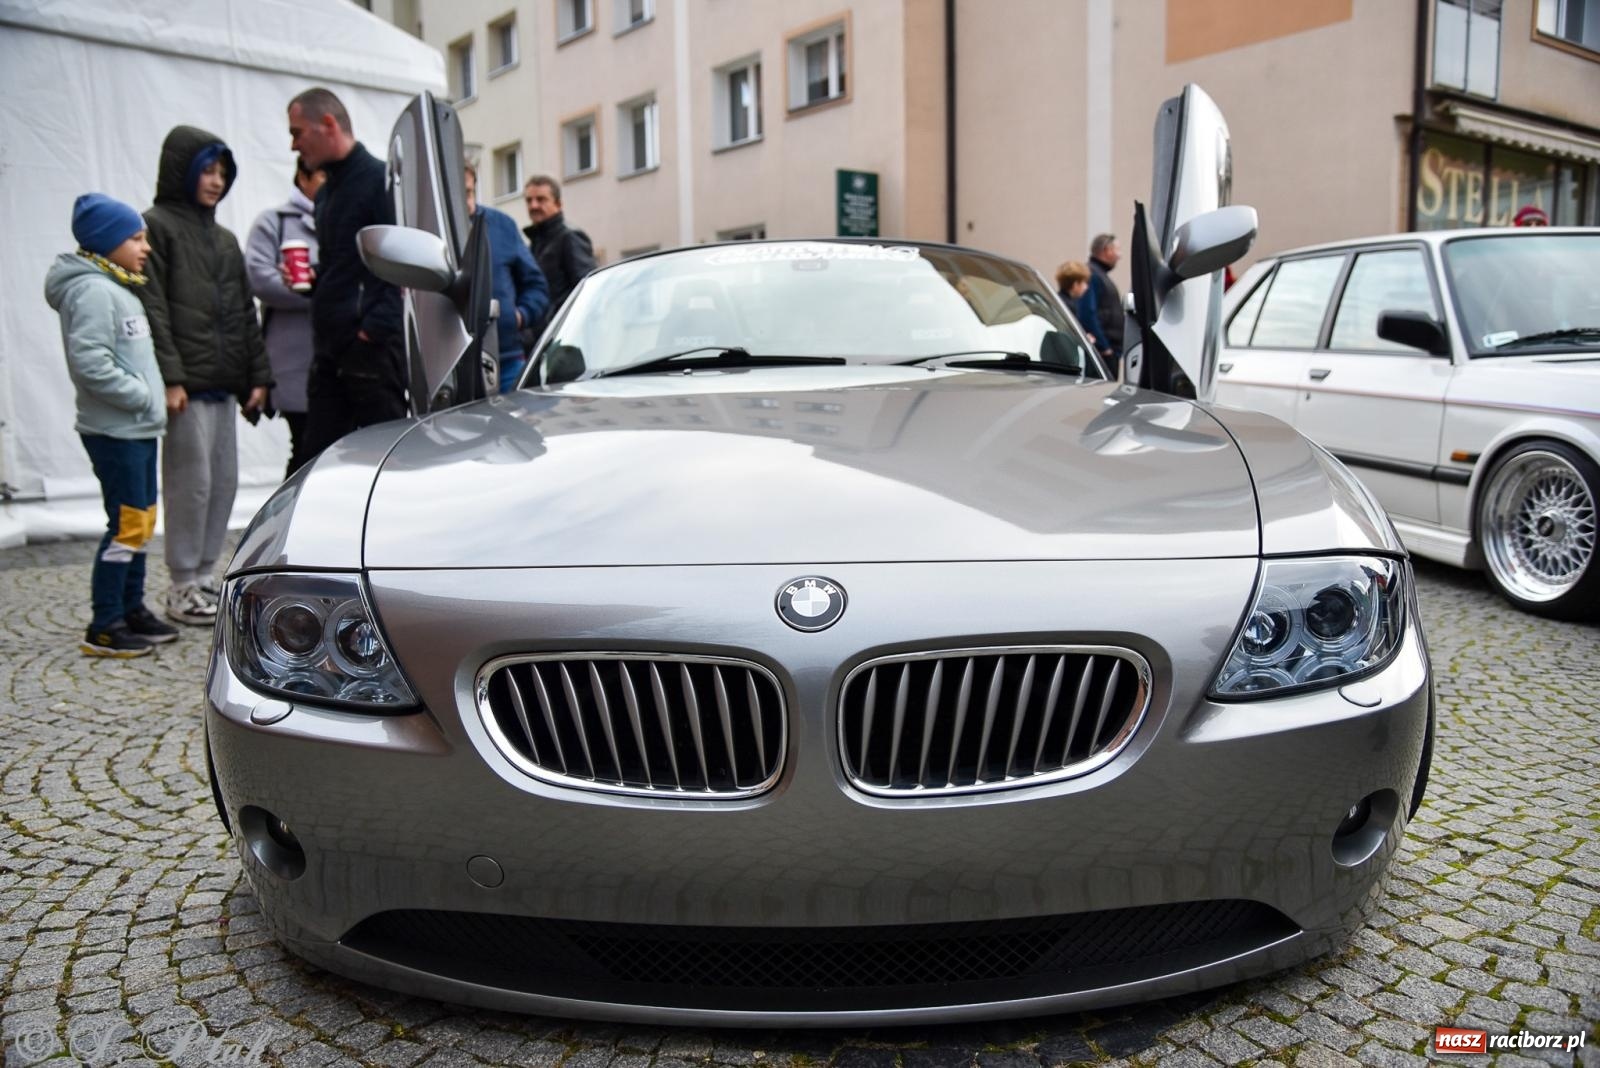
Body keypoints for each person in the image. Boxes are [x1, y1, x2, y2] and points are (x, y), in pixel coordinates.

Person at [140, 126, 272, 626]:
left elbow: (244, 310)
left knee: (223, 482)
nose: (216, 181)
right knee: (188, 483)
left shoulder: (224, 239)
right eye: (207, 171)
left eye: (222, 172)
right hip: (186, 389)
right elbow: (154, 307)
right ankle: (181, 584)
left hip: (223, 384)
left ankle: (205, 575)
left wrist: (257, 376)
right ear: (183, 172)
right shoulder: (156, 226)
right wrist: (171, 377)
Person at [44, 195, 179, 656]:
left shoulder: (117, 286)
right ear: (106, 242)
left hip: (136, 430)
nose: (145, 247)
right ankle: (105, 622)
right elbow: (91, 364)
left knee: (140, 521)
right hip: (117, 432)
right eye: (136, 238)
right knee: (125, 525)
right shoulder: (94, 291)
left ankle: (131, 607)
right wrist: (143, 396)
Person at [287, 87, 405, 461]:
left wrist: (372, 331)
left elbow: (398, 262)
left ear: (327, 124)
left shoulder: (378, 182)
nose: (293, 145)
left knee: (386, 462)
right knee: (315, 463)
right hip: (330, 351)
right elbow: (345, 265)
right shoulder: (325, 193)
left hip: (369, 351)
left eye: (297, 132)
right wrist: (311, 279)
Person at [245, 158, 324, 476]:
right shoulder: (274, 222)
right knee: (306, 447)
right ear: (302, 177)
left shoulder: (345, 218)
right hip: (294, 363)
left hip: (340, 359)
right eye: (322, 175)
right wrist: (324, 294)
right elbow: (260, 279)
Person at [464, 163, 549, 391]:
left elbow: (536, 286)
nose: (466, 201)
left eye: (469, 192)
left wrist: (519, 316)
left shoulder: (501, 226)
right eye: (458, 194)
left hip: (507, 360)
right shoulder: (436, 229)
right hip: (455, 366)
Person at [522, 174, 596, 340]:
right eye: (529, 200)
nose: (534, 205)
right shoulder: (534, 244)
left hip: (564, 339)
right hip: (542, 339)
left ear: (558, 204)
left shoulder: (570, 237)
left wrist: (559, 326)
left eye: (541, 199)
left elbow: (586, 292)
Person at [1055, 260, 1113, 365]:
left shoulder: (1058, 300)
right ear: (1076, 284)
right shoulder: (1070, 307)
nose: (1086, 287)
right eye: (1084, 283)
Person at [1088, 233, 1126, 379]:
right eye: (1117, 250)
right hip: (1103, 354)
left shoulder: (1099, 275)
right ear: (1107, 250)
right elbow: (1088, 314)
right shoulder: (1093, 275)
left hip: (1109, 351)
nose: (1120, 255)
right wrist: (1104, 347)